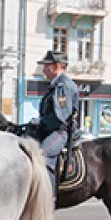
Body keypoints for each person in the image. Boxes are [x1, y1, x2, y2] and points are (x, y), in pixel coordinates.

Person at [30, 50, 79, 199]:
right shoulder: (55, 85)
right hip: (49, 129)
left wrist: (39, 122)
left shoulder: (62, 86)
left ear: (57, 66)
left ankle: (48, 198)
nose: (44, 69)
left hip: (60, 131)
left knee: (42, 157)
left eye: (47, 66)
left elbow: (60, 117)